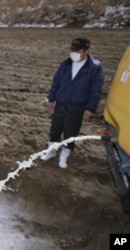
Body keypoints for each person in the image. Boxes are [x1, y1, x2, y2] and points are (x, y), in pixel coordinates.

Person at [41, 37, 104, 168]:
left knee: (71, 132)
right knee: (55, 129)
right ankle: (51, 151)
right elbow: (56, 82)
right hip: (62, 103)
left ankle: (64, 155)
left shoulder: (94, 68)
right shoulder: (66, 64)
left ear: (87, 50)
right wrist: (51, 99)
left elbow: (96, 90)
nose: (74, 53)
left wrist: (90, 108)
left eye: (78, 50)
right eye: (72, 50)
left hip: (77, 106)